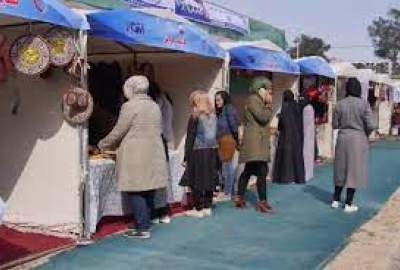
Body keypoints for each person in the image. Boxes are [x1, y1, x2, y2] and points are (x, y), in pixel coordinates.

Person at [98, 76, 168, 239]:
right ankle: (144, 222)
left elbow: (119, 130)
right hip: (153, 151)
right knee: (148, 188)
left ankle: (142, 228)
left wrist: (103, 144)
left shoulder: (129, 106)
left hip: (136, 153)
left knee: (136, 190)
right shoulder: (154, 106)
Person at [332, 78, 376, 213]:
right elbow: (371, 125)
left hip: (343, 137)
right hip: (358, 138)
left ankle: (336, 199)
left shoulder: (339, 104)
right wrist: (366, 134)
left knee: (340, 169)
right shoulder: (364, 104)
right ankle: (349, 203)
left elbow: (335, 124)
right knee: (353, 171)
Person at [140, 62, 174, 225]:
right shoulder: (161, 97)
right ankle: (159, 211)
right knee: (158, 178)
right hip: (158, 140)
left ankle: (158, 211)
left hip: (155, 140)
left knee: (156, 178)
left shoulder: (156, 98)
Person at [235, 77, 274, 214]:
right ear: (261, 89)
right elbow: (262, 117)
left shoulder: (257, 100)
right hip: (255, 143)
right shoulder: (253, 99)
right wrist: (268, 105)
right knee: (262, 171)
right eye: (269, 90)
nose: (271, 94)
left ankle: (239, 197)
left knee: (248, 171)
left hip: (257, 143)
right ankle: (262, 202)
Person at [180, 91, 219, 218]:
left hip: (198, 151)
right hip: (212, 150)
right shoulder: (214, 116)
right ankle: (208, 205)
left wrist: (186, 156)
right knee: (209, 178)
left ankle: (198, 208)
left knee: (195, 179)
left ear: (196, 102)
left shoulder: (195, 116)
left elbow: (190, 138)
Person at [272, 90, 305, 184]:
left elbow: (282, 122)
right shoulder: (296, 105)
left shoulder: (285, 106)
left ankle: (285, 178)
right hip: (297, 136)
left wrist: (279, 125)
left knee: (286, 158)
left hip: (286, 136)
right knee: (296, 157)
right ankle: (297, 177)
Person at [215, 91, 241, 200]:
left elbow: (234, 125)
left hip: (228, 139)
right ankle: (230, 191)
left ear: (224, 99)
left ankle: (227, 192)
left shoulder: (228, 109)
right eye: (216, 100)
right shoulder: (224, 110)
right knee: (228, 167)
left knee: (228, 167)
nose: (216, 102)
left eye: (219, 100)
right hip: (225, 139)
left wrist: (236, 139)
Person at [299, 95, 315, 181]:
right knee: (308, 154)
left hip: (306, 134)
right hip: (309, 134)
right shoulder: (310, 107)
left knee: (306, 154)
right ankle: (308, 174)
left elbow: (304, 123)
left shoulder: (307, 108)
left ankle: (305, 175)